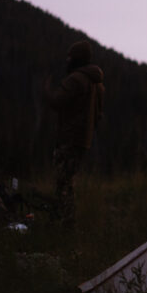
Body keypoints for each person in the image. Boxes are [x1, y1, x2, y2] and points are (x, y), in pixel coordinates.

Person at [44, 40, 105, 225]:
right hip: (83, 141)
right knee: (68, 181)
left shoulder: (75, 79)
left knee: (63, 182)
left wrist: (46, 89)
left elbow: (56, 102)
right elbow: (98, 115)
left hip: (68, 139)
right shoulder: (97, 84)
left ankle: (64, 223)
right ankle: (64, 221)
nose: (67, 60)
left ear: (76, 58)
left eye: (69, 56)